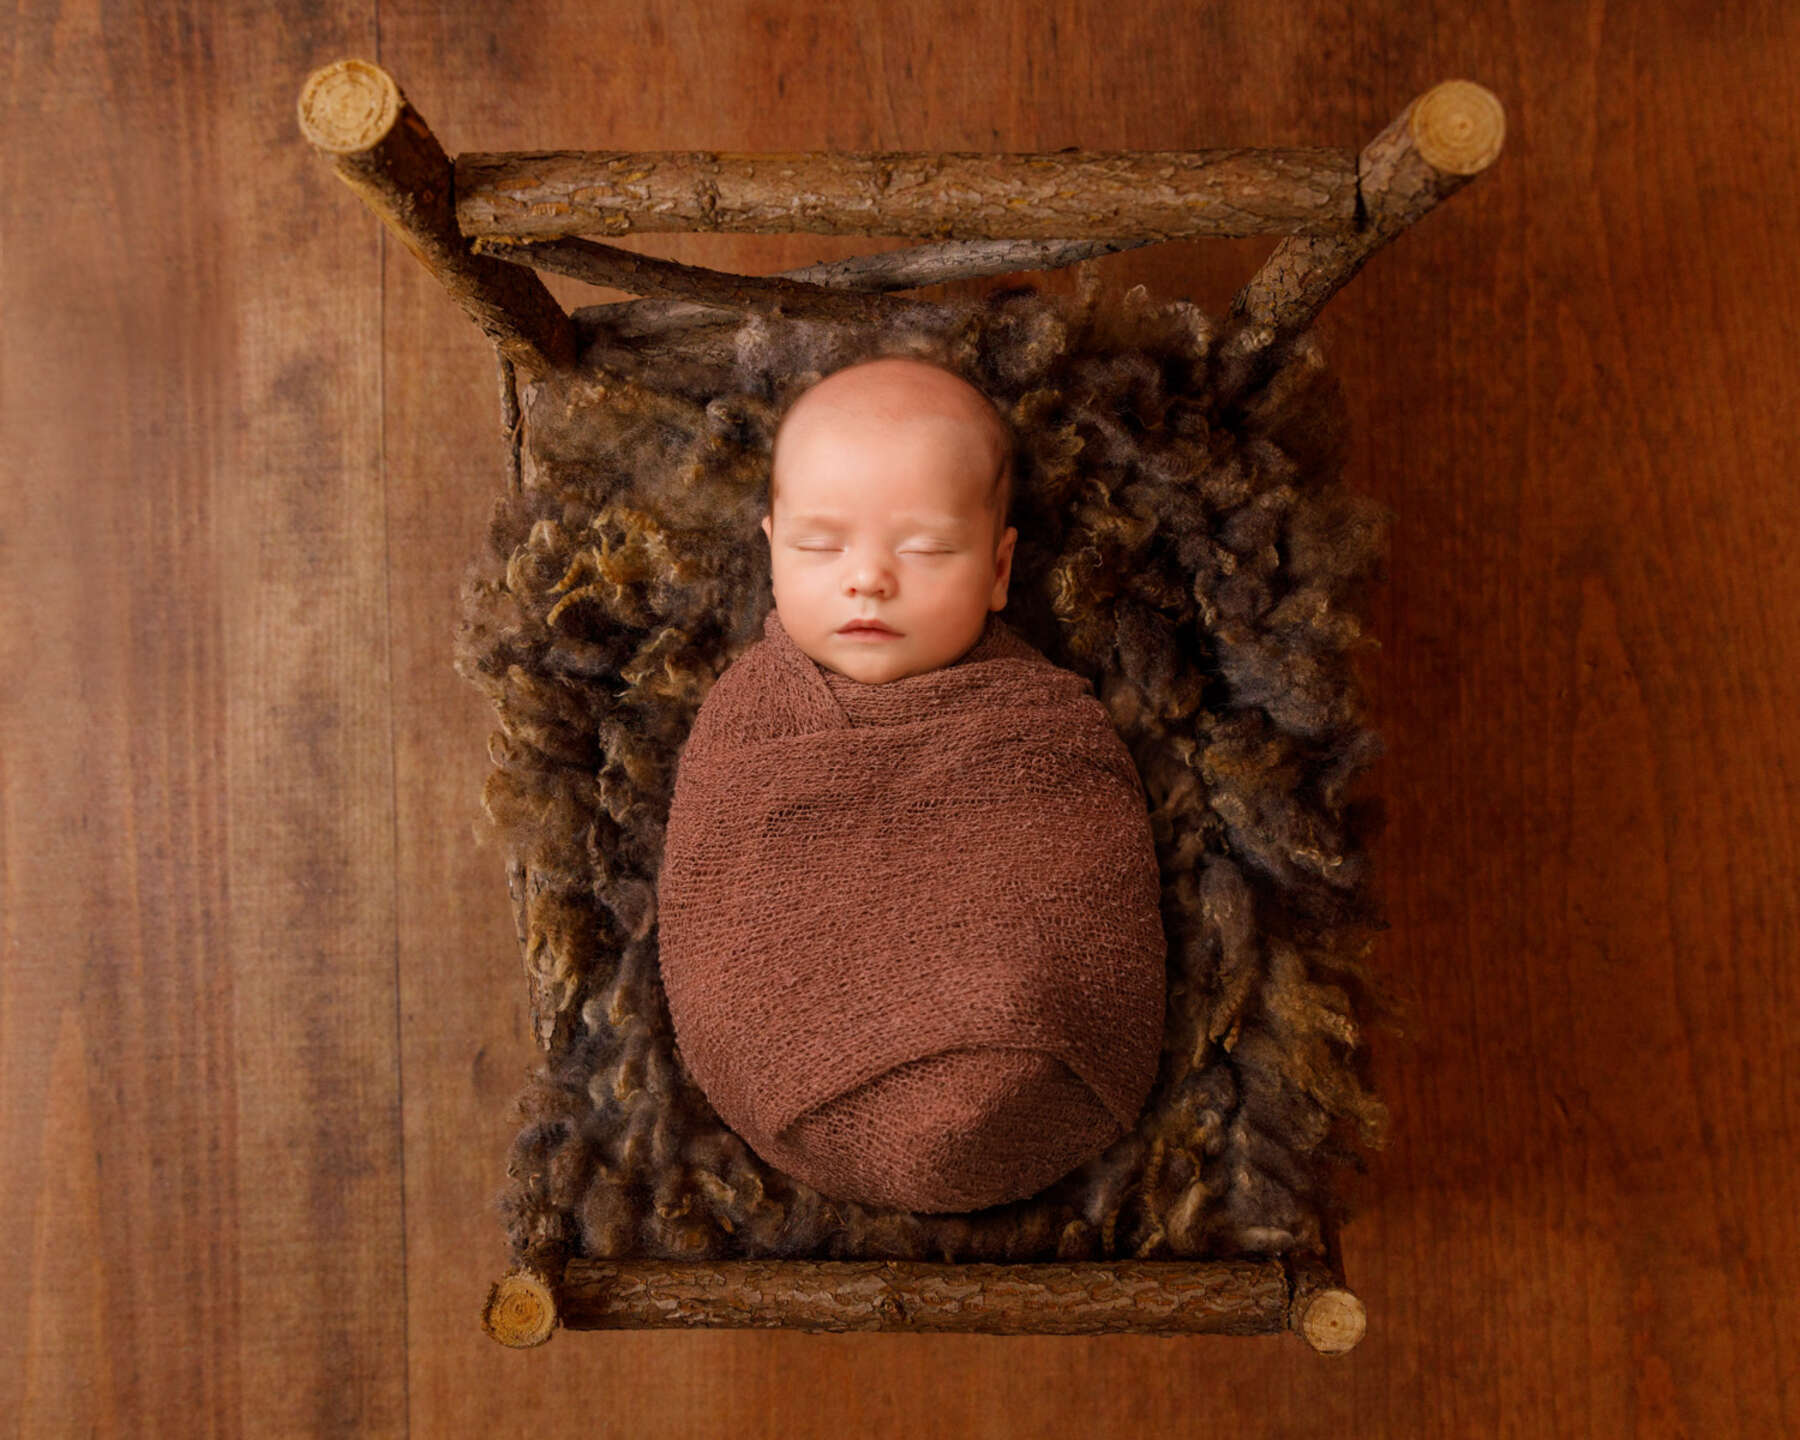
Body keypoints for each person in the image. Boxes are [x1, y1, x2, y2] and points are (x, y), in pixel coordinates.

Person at [760, 355, 1019, 684]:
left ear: (999, 570)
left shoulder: (1044, 707)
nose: (868, 580)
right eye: (819, 546)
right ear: (774, 561)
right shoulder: (741, 703)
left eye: (925, 549)